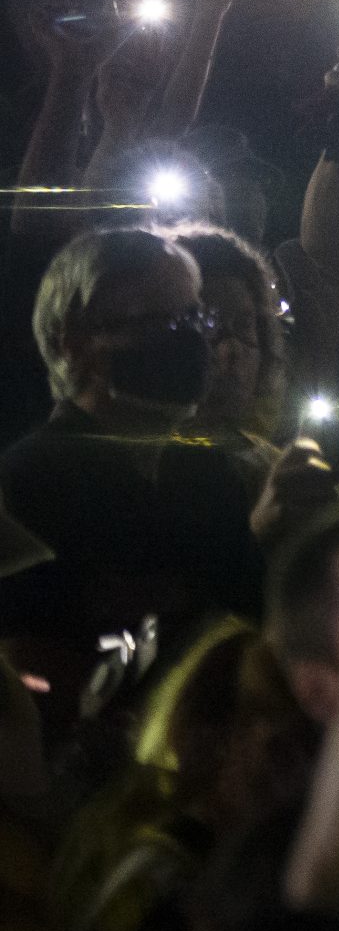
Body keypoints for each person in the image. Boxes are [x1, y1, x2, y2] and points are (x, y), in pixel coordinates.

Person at [1, 228, 266, 717]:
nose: (188, 341)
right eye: (160, 324)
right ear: (77, 345)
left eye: (194, 318)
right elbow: (30, 671)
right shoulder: (28, 483)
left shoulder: (207, 475)